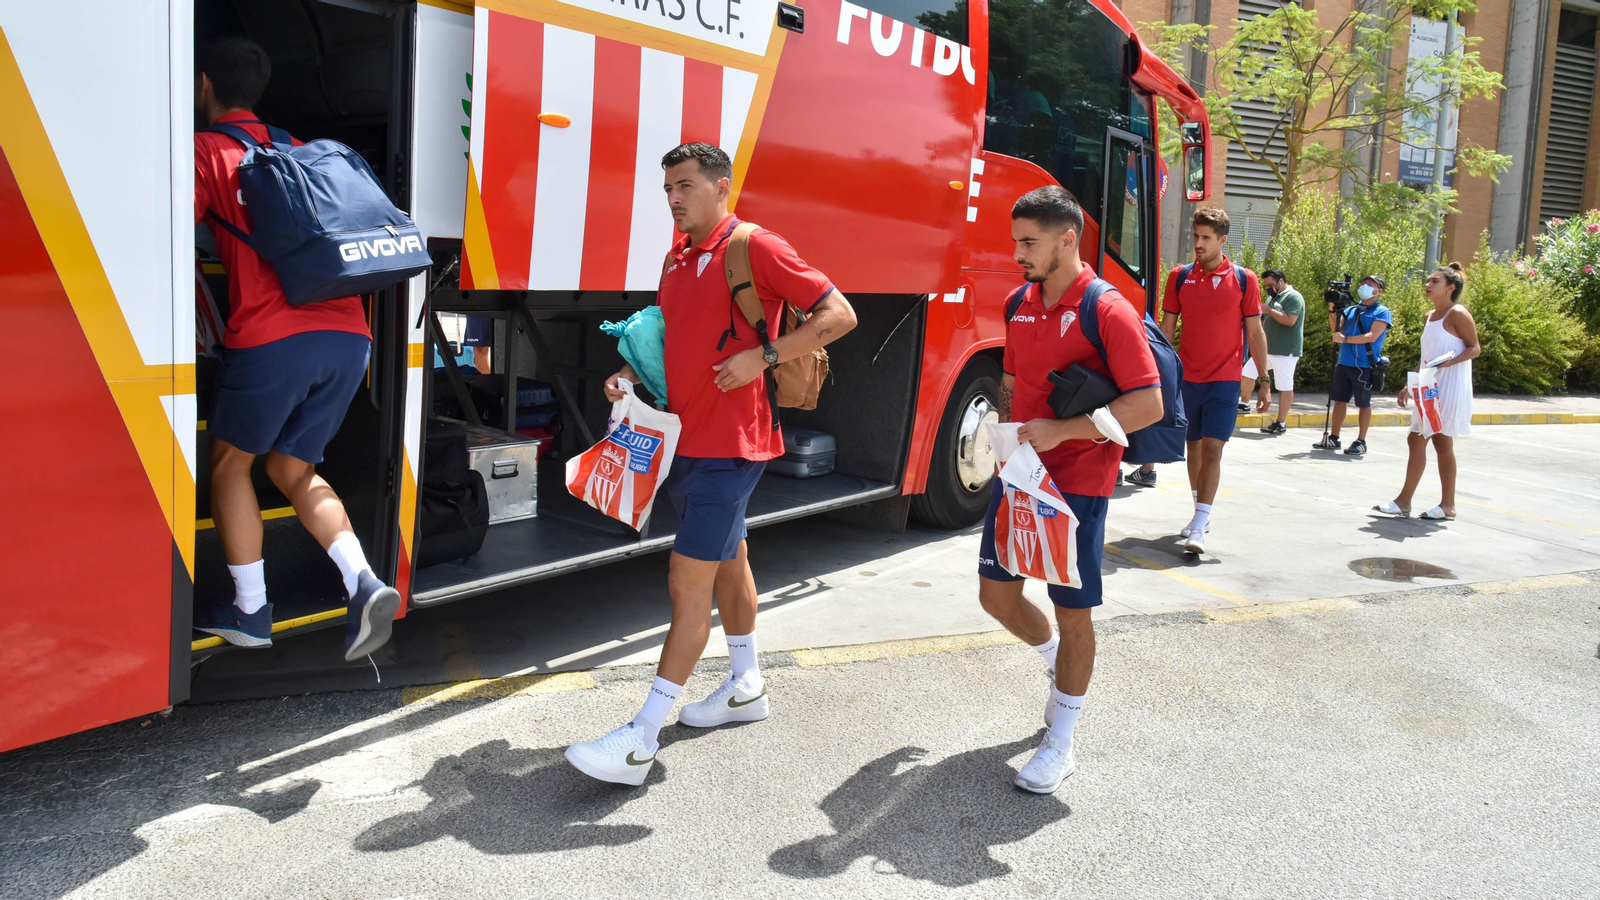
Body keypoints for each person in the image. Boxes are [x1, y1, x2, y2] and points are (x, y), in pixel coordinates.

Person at [565, 143, 857, 786]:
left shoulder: (755, 247)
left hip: (732, 445)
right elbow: (671, 337)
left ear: (722, 187)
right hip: (686, 441)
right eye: (668, 187)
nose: (674, 198)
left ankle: (641, 739)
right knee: (730, 561)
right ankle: (746, 685)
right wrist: (626, 372)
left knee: (686, 585)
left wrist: (765, 356)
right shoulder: (676, 256)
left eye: (687, 186)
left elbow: (839, 314)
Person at [192, 37, 401, 660]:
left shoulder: (207, 151)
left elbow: (170, 234)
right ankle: (363, 581)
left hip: (272, 337)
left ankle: (251, 611)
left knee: (231, 464)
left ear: (203, 84)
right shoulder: (302, 150)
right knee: (293, 469)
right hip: (348, 336)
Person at [978, 186, 1164, 794]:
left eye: (1029, 242)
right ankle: (1058, 662)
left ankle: (1061, 740)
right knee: (995, 597)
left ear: (1067, 238)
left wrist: (1063, 431)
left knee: (1073, 611)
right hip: (1020, 475)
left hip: (1078, 484)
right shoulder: (1018, 301)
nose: (1018, 253)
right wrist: (1004, 436)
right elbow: (1012, 381)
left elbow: (1148, 403)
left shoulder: (1106, 308)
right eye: (1016, 241)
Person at [1144, 208, 1269, 555]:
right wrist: (1154, 373)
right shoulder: (1179, 277)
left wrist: (1264, 380)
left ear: (1222, 240)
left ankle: (1200, 523)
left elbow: (1255, 332)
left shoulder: (1244, 279)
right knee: (1194, 448)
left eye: (1206, 238)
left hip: (1225, 381)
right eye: (1196, 236)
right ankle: (1199, 510)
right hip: (1187, 380)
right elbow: (1166, 330)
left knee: (1214, 448)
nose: (1198, 243)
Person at [1375, 263, 1479, 520]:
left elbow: (1474, 348)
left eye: (1435, 281)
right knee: (1421, 438)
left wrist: (1449, 363)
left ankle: (1436, 504)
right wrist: (1410, 385)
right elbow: (1426, 356)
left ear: (1450, 288)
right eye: (1429, 280)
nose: (1428, 284)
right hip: (1428, 386)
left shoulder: (1458, 313)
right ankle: (1425, 503)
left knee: (1436, 439)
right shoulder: (1428, 316)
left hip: (1449, 385)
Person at [1314, 275, 1392, 456]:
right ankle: (1334, 437)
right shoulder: (1350, 310)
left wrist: (1346, 339)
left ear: (1379, 291)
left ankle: (1361, 440)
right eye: (1364, 283)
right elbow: (1335, 328)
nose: (1365, 286)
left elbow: (1372, 336)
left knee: (1363, 403)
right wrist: (1333, 308)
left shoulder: (1382, 312)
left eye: (1370, 284)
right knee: (1339, 400)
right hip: (1344, 362)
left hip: (1364, 365)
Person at [1239, 268, 1303, 434]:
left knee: (1285, 386)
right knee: (1247, 373)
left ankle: (1281, 422)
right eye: (1266, 285)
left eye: (1271, 284)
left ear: (1281, 281)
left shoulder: (1294, 297)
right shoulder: (1273, 297)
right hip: (1267, 349)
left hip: (1285, 350)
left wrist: (1268, 310)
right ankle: (1244, 403)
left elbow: (1290, 320)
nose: (1269, 288)